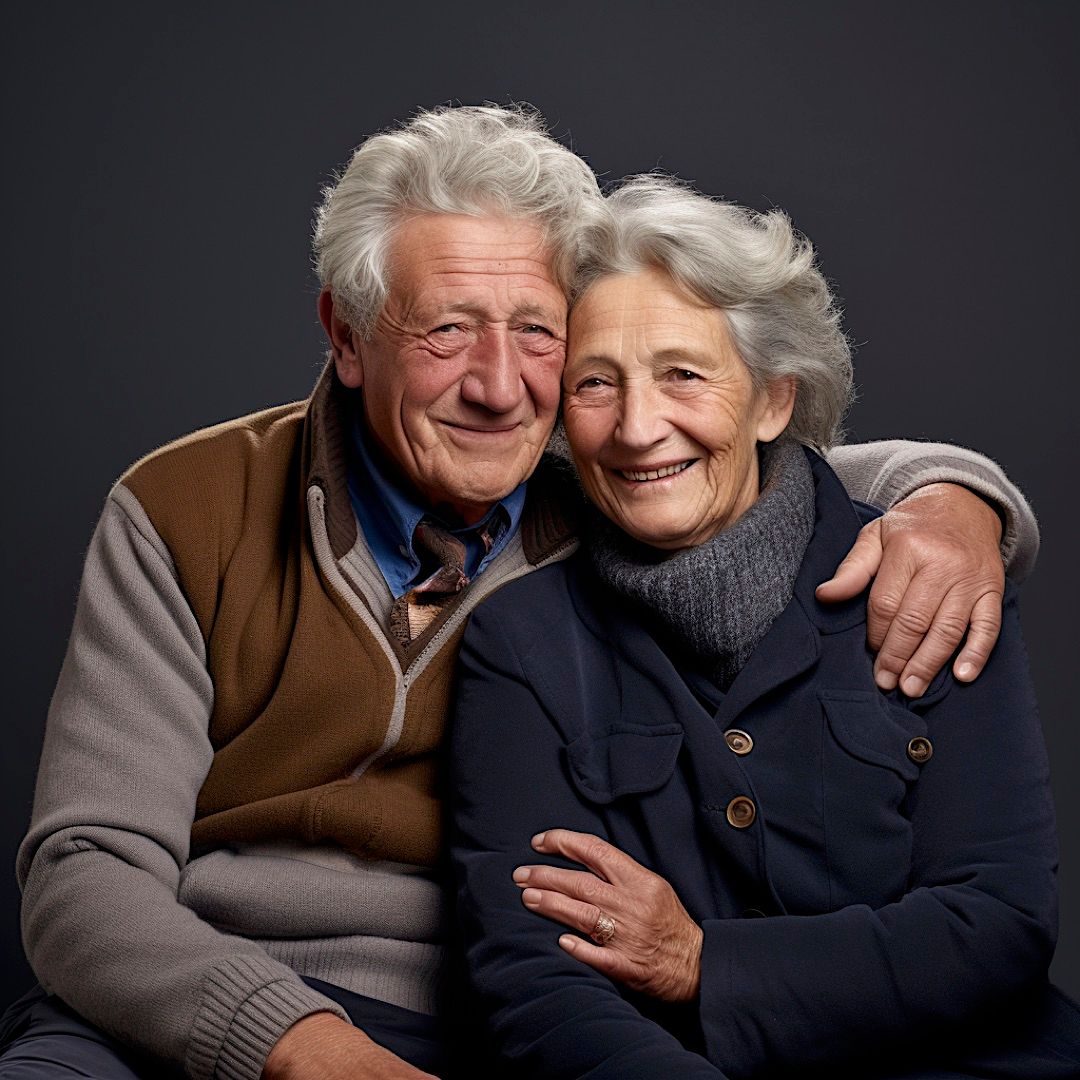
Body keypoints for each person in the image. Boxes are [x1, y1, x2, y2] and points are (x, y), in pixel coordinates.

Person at [0, 106, 1040, 1080]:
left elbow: (758, 456)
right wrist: (301, 1045)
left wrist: (951, 500)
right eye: (446, 330)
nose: (502, 387)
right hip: (187, 996)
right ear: (348, 336)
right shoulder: (188, 506)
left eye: (540, 334)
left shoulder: (604, 482)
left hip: (485, 1021)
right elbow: (86, 871)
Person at [449, 176, 1080, 1078]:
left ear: (773, 400)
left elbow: (998, 924)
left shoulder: (927, 574)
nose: (636, 427)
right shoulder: (522, 645)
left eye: (683, 374)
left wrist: (707, 964)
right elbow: (537, 984)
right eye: (596, 383)